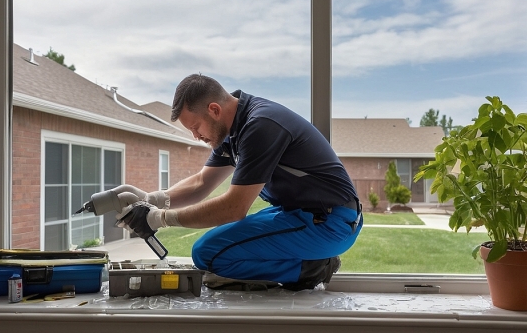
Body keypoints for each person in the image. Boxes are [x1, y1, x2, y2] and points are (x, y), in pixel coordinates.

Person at [118, 74, 362, 290]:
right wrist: (150, 200)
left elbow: (234, 208)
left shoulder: (260, 126)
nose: (196, 136)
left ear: (214, 109)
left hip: (331, 223)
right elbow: (201, 183)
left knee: (208, 254)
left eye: (195, 127)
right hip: (300, 213)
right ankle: (303, 260)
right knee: (214, 249)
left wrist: (159, 218)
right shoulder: (233, 130)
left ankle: (313, 268)